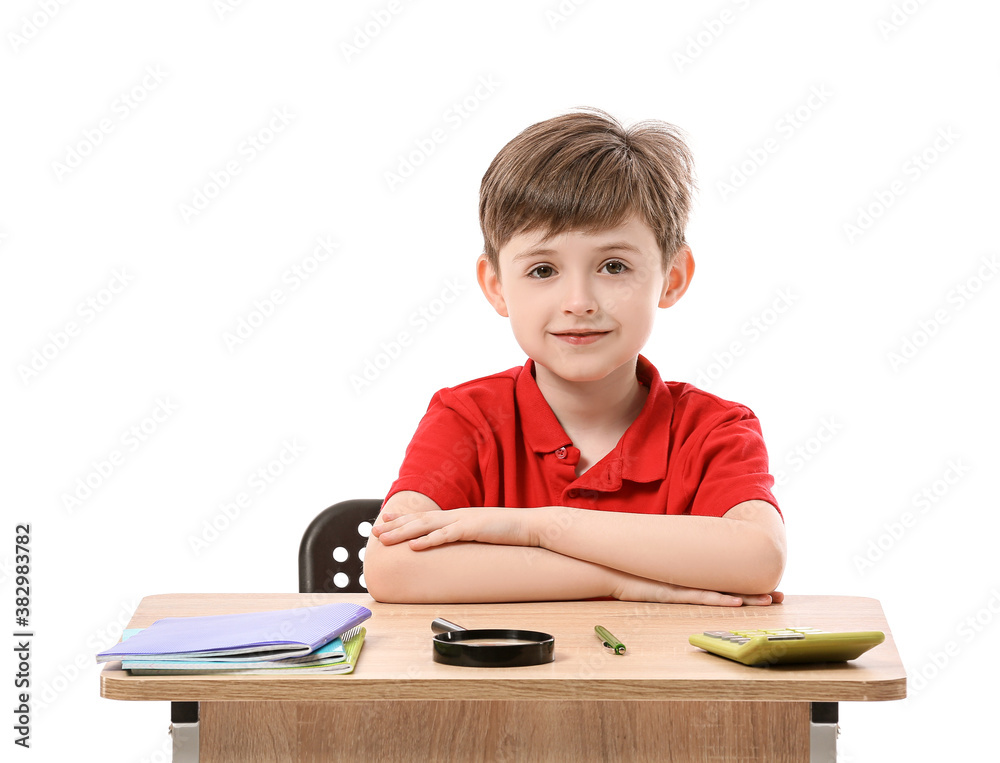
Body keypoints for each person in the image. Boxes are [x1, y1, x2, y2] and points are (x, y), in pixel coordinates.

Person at [363, 108, 786, 606]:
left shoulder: (713, 429)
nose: (579, 301)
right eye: (543, 270)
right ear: (496, 287)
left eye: (613, 265)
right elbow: (393, 569)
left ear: (672, 277)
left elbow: (757, 560)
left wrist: (534, 528)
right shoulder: (467, 418)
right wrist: (615, 583)